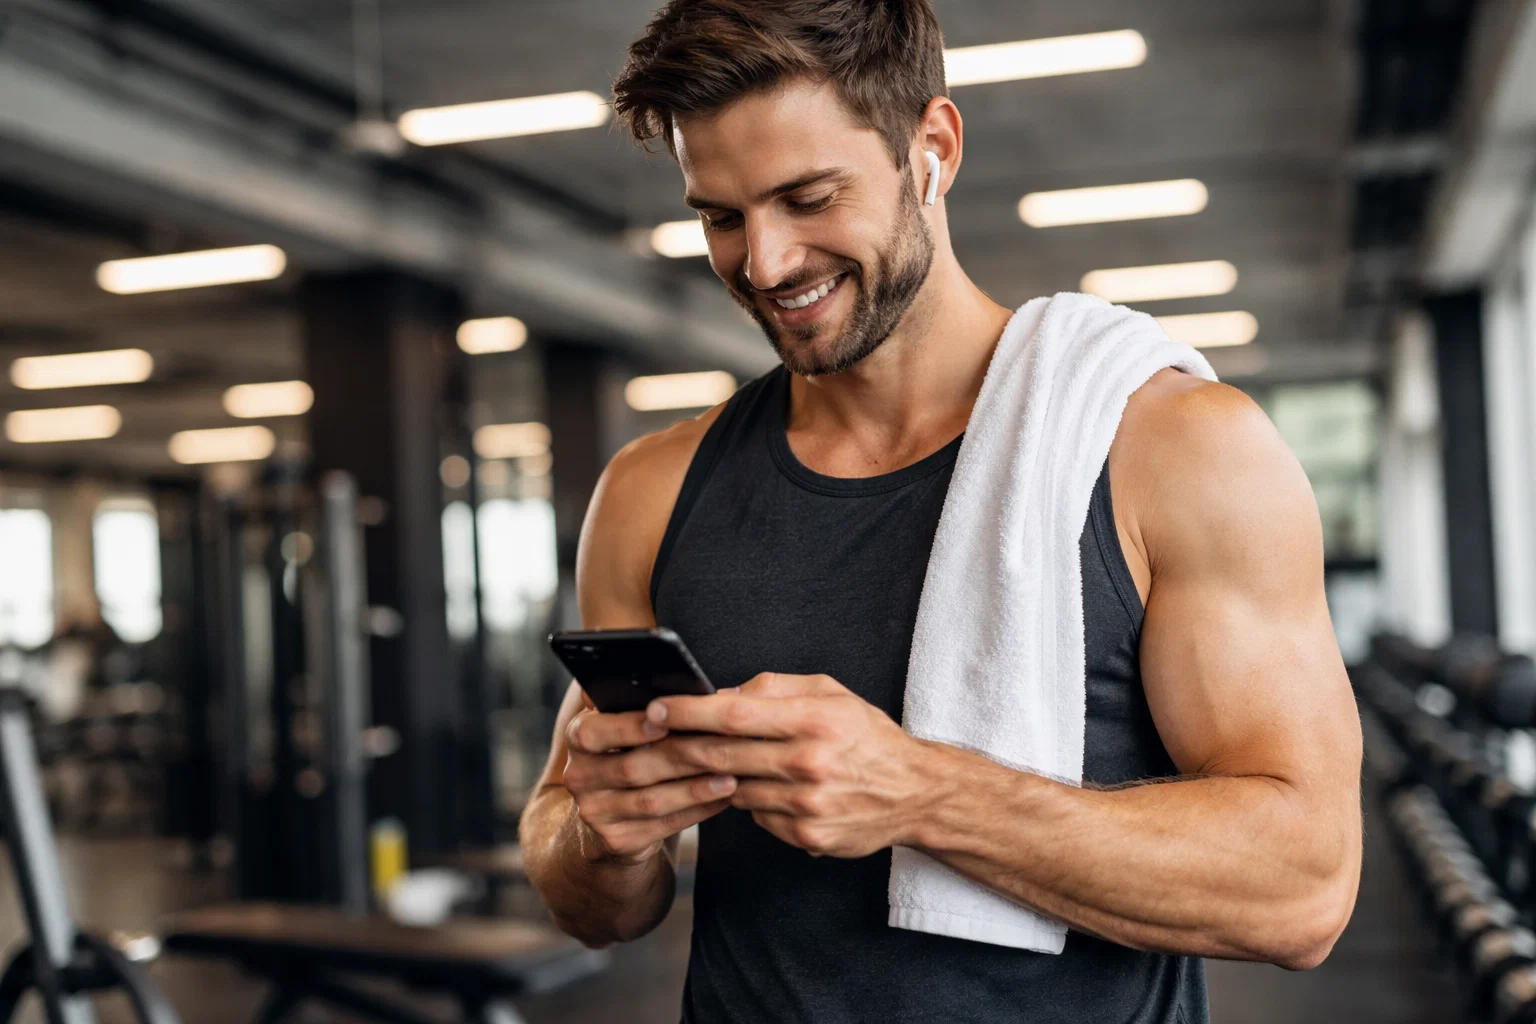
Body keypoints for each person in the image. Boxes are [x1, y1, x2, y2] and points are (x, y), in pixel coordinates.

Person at [519, 2, 1363, 1021]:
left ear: (933, 148)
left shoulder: (1174, 450)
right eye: (723, 217)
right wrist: (603, 838)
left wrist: (924, 792)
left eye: (808, 196)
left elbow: (1304, 887)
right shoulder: (653, 491)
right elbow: (591, 894)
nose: (767, 262)